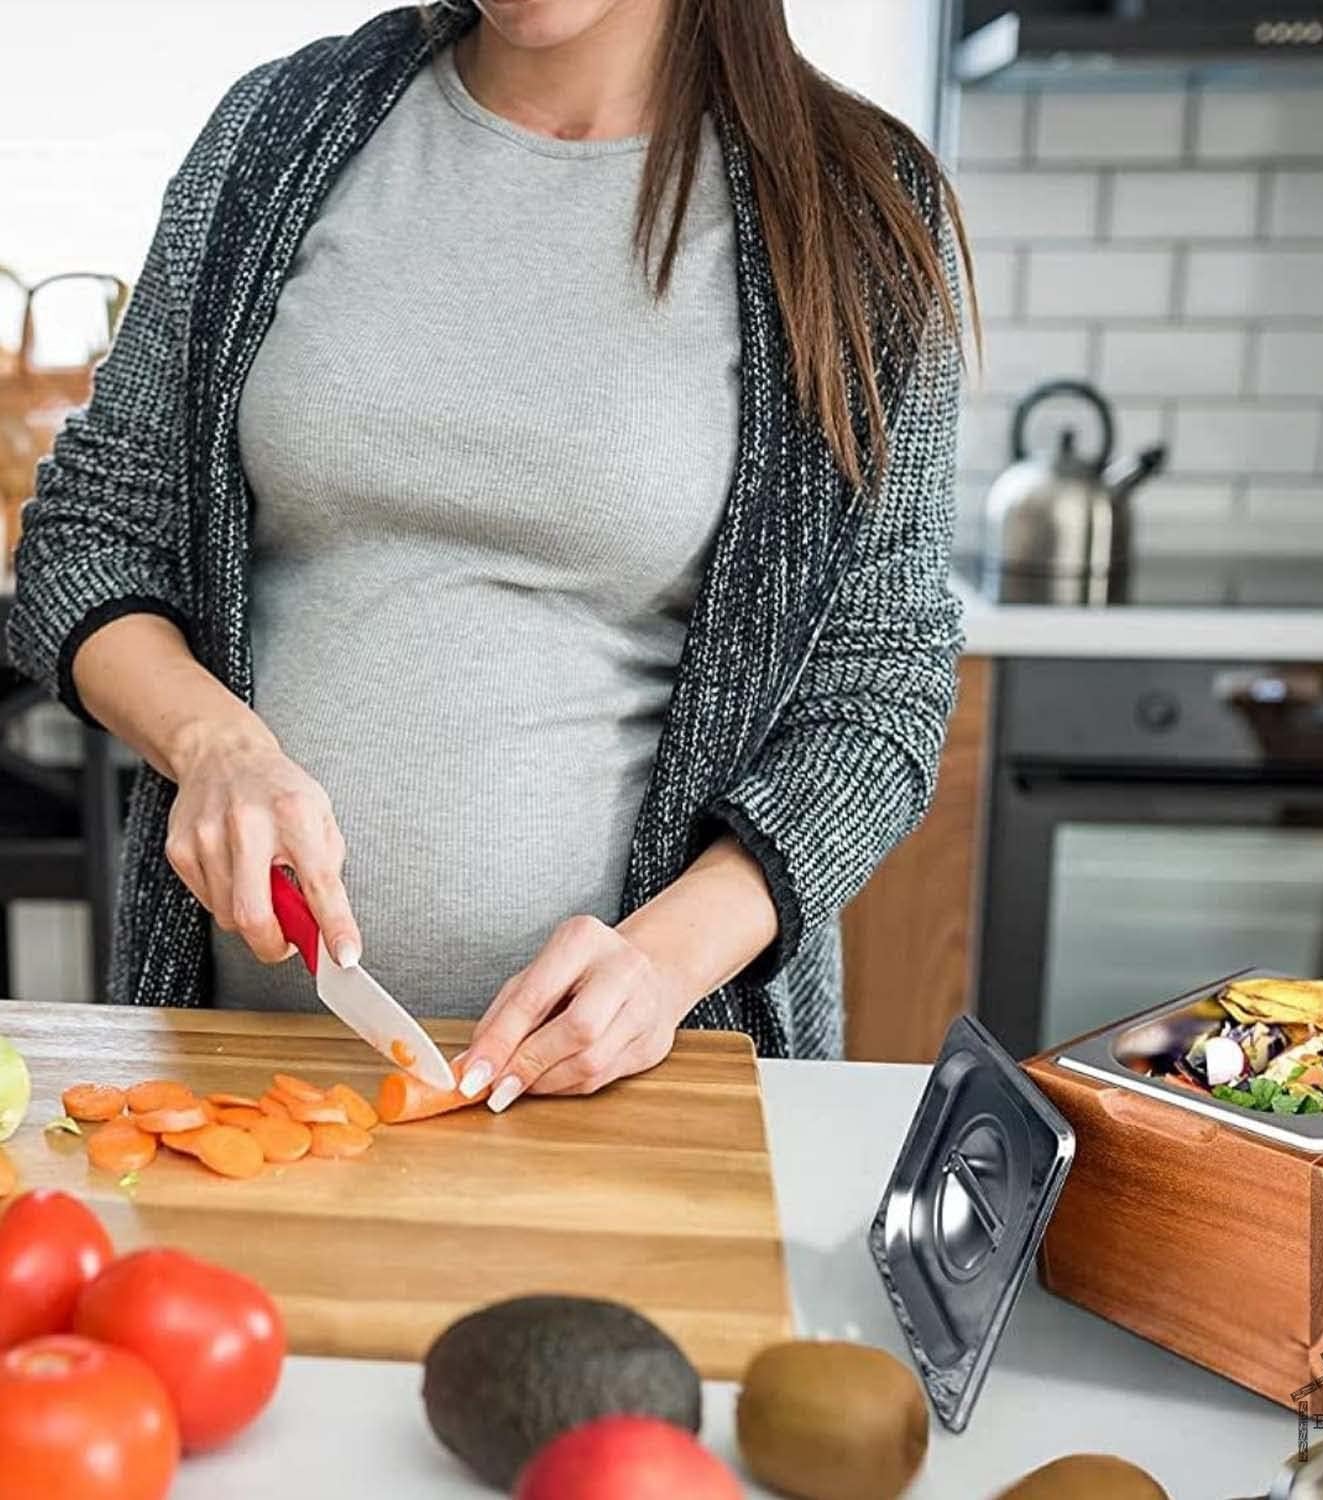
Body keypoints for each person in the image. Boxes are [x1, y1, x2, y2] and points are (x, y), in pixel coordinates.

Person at [9, 0, 973, 1108]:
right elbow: (92, 530)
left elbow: (881, 687)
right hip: (247, 1080)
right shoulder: (282, 129)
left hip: (638, 1084)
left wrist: (665, 965)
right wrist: (213, 743)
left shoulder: (856, 203)